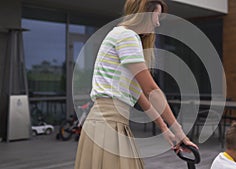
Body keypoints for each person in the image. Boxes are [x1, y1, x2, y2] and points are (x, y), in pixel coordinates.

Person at [74, 0, 198, 169]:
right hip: (108, 124)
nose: (157, 22)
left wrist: (165, 130)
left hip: (109, 124)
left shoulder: (121, 35)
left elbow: (140, 95)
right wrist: (180, 132)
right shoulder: (126, 36)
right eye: (157, 16)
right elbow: (151, 90)